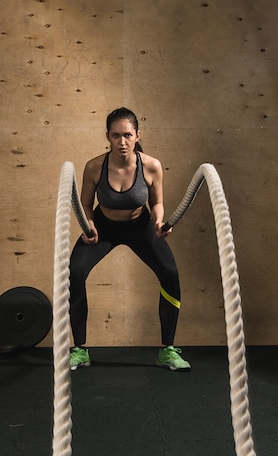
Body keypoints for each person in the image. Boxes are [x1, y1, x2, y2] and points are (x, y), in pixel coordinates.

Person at [69, 107, 191, 371]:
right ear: (108, 136)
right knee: (75, 273)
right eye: (115, 136)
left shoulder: (151, 166)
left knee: (170, 274)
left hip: (141, 227)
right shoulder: (94, 167)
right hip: (103, 228)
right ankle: (79, 350)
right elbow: (86, 205)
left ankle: (168, 350)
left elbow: (157, 202)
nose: (121, 142)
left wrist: (159, 220)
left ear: (137, 135)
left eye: (127, 135)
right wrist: (88, 224)